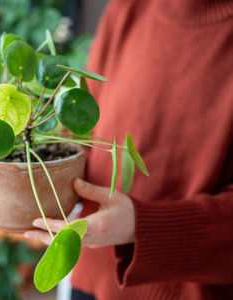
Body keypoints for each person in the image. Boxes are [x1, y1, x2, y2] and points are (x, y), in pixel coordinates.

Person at [24, 0, 233, 299]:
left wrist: (142, 226)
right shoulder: (128, 7)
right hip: (90, 275)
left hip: (186, 290)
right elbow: (83, 121)